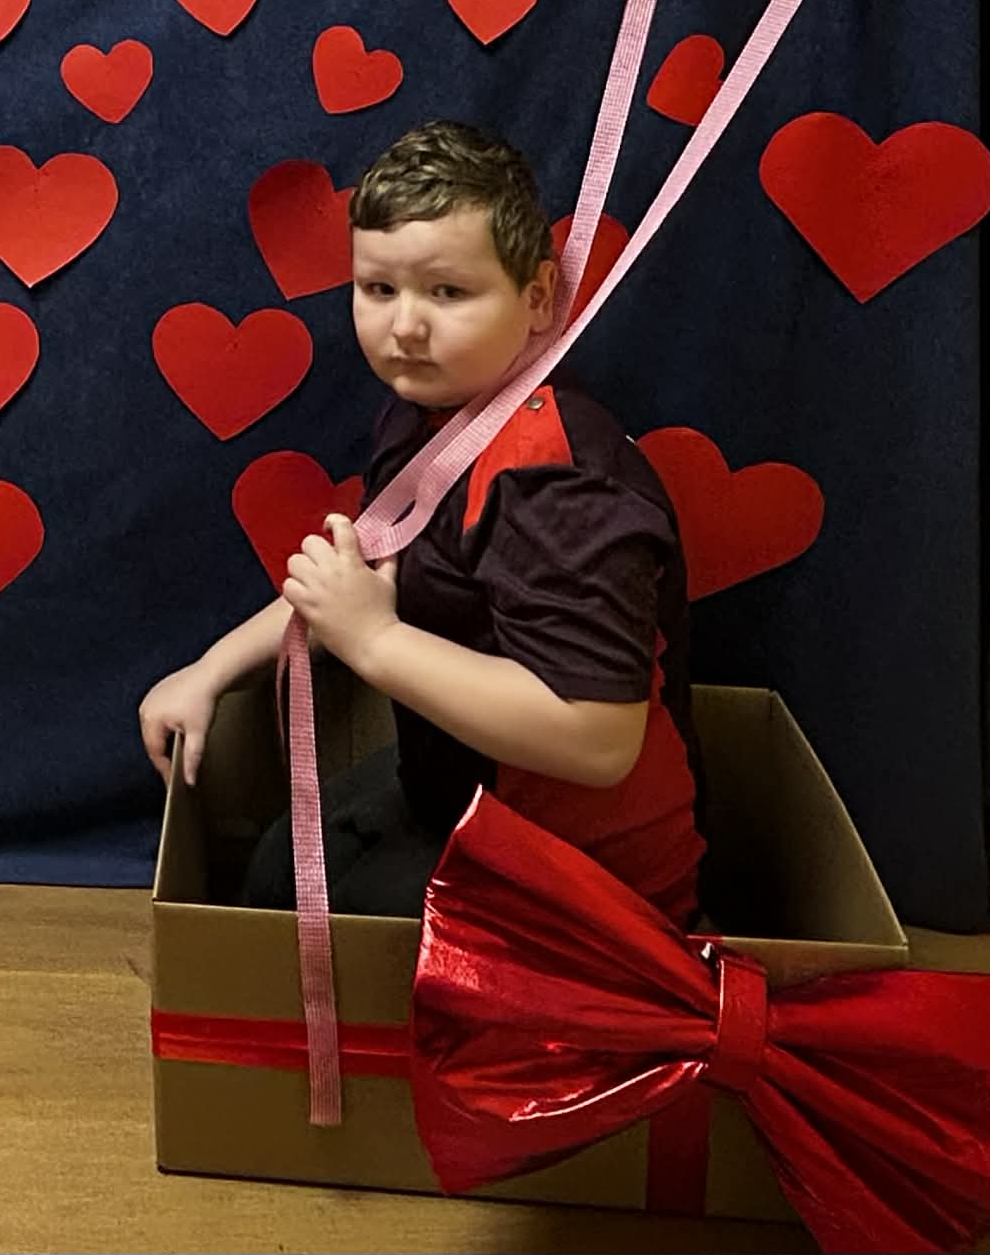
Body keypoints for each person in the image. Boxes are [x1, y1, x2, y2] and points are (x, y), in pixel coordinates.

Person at [138, 120, 705, 925]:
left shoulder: (557, 485)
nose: (404, 326)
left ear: (537, 297)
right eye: (379, 290)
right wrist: (211, 669)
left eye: (448, 292)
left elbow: (599, 741)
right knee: (275, 876)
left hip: (582, 878)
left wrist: (375, 641)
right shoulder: (429, 413)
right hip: (456, 789)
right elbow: (358, 574)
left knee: (311, 914)